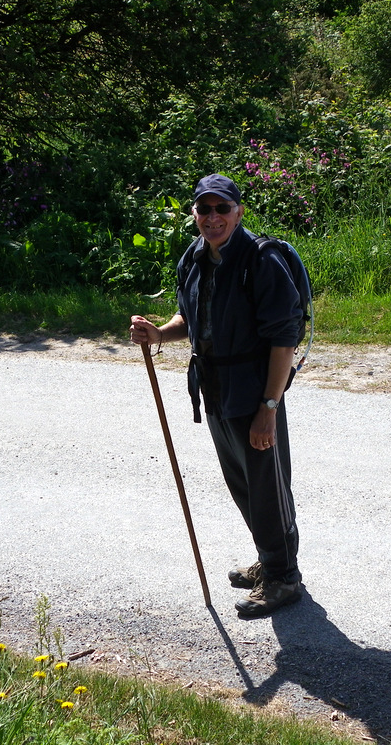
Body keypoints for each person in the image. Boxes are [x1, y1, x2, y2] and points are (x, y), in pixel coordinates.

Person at [130, 173, 303, 618]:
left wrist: (269, 407)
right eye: (204, 209)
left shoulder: (260, 260)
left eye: (221, 208)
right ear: (194, 215)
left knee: (267, 484)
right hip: (214, 386)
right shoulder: (193, 258)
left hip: (255, 387)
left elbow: (285, 339)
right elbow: (189, 317)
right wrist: (159, 334)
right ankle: (270, 560)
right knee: (241, 481)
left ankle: (284, 578)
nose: (212, 217)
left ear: (238, 211)